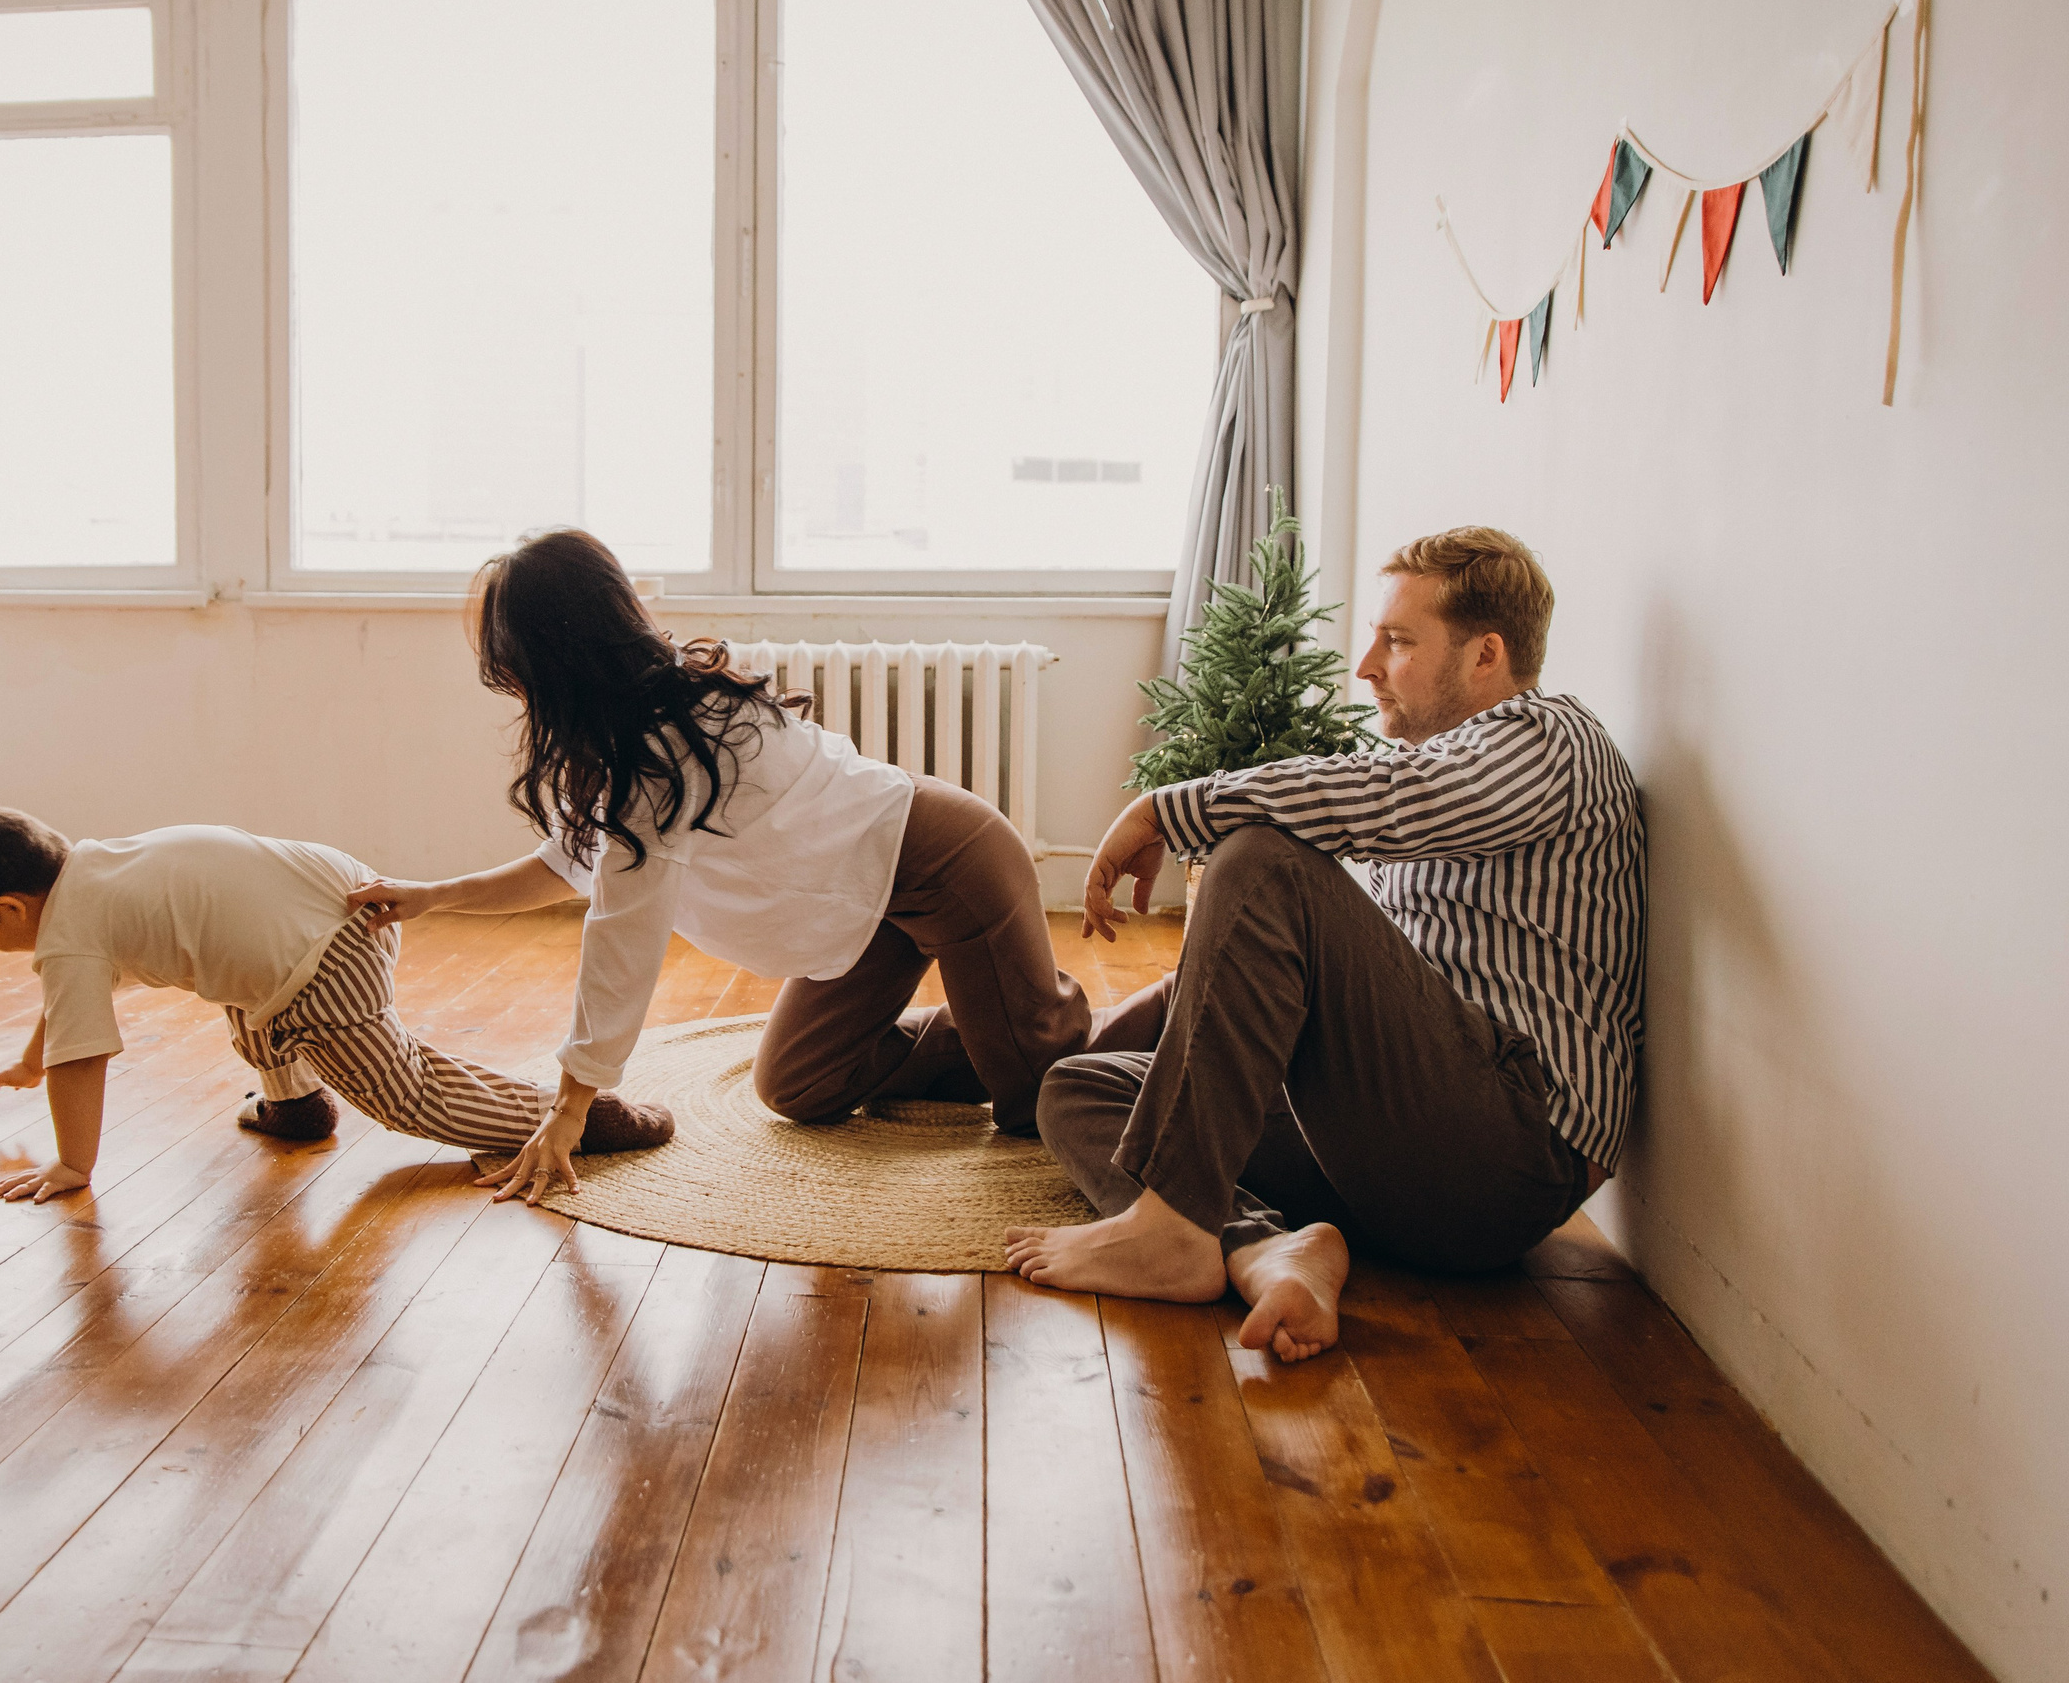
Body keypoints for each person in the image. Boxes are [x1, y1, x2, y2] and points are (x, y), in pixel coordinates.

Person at [1005, 528, 1643, 1364]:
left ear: (1487, 654)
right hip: (1396, 1152)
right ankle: (1263, 1249)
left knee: (1261, 859)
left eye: (1399, 642)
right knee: (1082, 1088)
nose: (1367, 666)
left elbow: (1393, 797)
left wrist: (1168, 808)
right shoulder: (1446, 769)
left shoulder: (1548, 741)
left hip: (1506, 1152)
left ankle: (1172, 1224)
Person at [347, 528, 1091, 1205]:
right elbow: (568, 867)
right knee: (801, 1087)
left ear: (554, 662)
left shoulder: (660, 752)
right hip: (862, 906)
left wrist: (570, 1110)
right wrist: (431, 897)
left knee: (1041, 1100)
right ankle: (1013, 1014)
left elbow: (621, 945)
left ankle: (1092, 1023)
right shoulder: (629, 736)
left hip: (947, 865)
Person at [0, 806, 672, 1203]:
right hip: (342, 898)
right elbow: (68, 1014)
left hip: (324, 955)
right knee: (249, 1001)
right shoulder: (96, 872)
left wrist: (72, 1164)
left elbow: (81, 1055)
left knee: (404, 1092)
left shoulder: (69, 932)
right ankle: (296, 1106)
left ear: (10, 907)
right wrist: (30, 1063)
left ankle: (577, 1118)